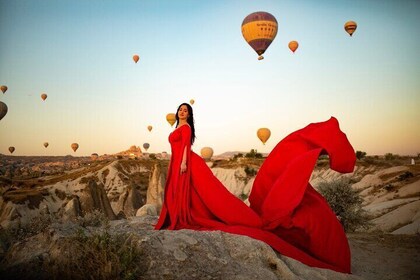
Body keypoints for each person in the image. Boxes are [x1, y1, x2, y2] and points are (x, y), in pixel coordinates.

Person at [155, 102, 356, 274]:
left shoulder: (186, 128)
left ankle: (186, 214)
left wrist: (182, 164)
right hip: (177, 162)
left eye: (185, 110)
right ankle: (180, 213)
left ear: (189, 114)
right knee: (190, 192)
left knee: (202, 193)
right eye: (180, 109)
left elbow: (184, 148)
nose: (182, 112)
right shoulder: (176, 128)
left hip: (186, 161)